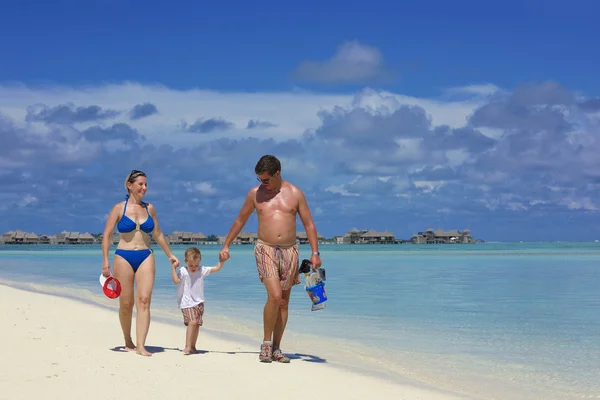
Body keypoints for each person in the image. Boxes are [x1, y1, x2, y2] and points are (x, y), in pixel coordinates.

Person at [219, 155, 322, 363]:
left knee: (284, 302)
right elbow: (241, 219)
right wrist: (226, 244)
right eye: (259, 179)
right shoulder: (255, 195)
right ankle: (266, 344)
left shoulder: (295, 194)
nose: (262, 184)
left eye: (265, 180)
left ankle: (277, 348)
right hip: (264, 248)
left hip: (290, 251)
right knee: (275, 296)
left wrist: (315, 253)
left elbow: (309, 224)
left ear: (277, 174)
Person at [101, 169, 180, 357]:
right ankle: (128, 340)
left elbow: (158, 233)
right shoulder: (119, 208)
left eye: (146, 184)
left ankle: (141, 345)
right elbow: (107, 235)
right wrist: (105, 261)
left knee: (144, 301)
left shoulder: (149, 208)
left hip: (146, 255)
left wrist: (170, 255)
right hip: (123, 256)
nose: (145, 188)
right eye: (141, 184)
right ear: (130, 185)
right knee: (126, 304)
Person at [171, 247, 225, 355]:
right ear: (186, 261)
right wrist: (173, 268)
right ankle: (187, 346)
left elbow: (216, 268)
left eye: (196, 265)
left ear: (199, 261)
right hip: (186, 302)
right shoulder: (183, 271)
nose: (194, 268)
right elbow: (176, 281)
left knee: (196, 325)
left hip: (199, 302)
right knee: (193, 322)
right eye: (191, 265)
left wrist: (221, 261)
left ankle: (193, 346)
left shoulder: (201, 270)